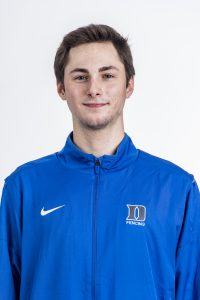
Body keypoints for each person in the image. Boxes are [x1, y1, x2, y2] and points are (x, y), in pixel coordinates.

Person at [0, 24, 199, 300]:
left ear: (129, 84)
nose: (94, 89)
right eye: (80, 77)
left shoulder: (176, 189)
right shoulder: (23, 188)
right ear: (61, 88)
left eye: (107, 75)